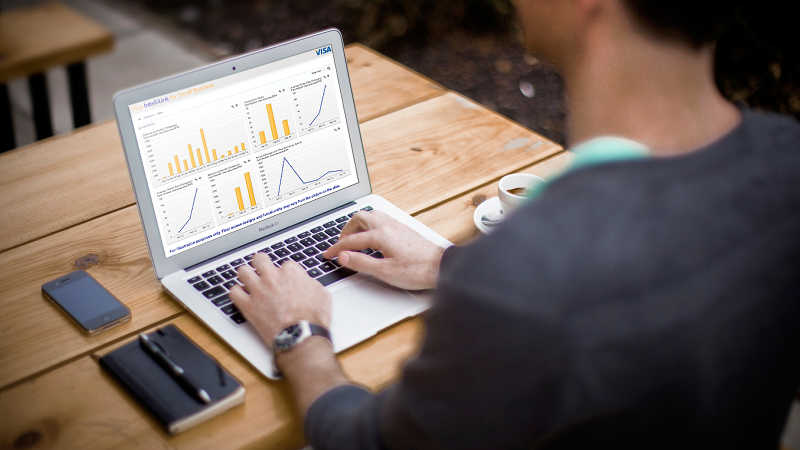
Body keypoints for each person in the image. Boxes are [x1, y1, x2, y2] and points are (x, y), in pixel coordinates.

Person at [229, 0, 800, 448]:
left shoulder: (527, 274)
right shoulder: (786, 162)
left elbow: (367, 444)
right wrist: (448, 263)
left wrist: (299, 334)